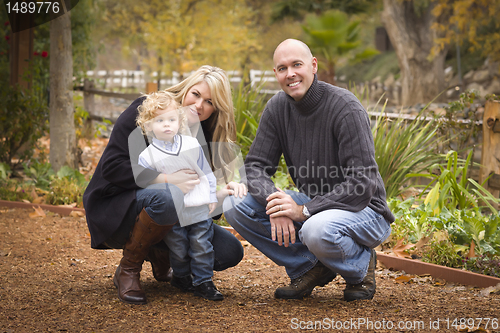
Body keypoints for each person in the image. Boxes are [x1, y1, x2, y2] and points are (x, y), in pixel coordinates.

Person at [223, 39, 395, 302]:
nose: (290, 73)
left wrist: (302, 211)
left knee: (316, 229)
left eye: (297, 65)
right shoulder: (277, 108)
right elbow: (254, 168)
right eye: (282, 68)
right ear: (276, 74)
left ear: (313, 66)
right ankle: (309, 266)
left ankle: (360, 266)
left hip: (365, 209)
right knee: (235, 205)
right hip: (317, 205)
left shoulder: (344, 107)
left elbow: (361, 183)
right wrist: (277, 205)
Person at [83, 65, 247, 305]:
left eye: (210, 102)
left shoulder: (203, 134)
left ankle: (160, 251)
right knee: (168, 196)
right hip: (117, 206)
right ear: (186, 89)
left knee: (229, 251)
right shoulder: (150, 111)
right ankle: (128, 270)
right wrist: (167, 179)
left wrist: (221, 194)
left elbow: (199, 207)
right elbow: (112, 168)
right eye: (196, 94)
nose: (199, 105)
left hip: (174, 217)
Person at [135, 90, 223, 300]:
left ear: (179, 122)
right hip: (174, 211)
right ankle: (181, 277)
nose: (167, 124)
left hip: (198, 205)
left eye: (171, 119)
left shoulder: (191, 145)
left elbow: (206, 172)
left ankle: (204, 282)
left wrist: (212, 196)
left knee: (201, 244)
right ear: (147, 126)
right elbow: (146, 185)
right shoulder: (147, 156)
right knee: (178, 247)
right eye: (160, 120)